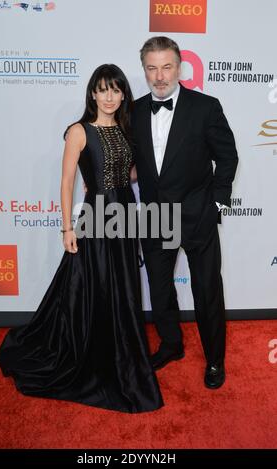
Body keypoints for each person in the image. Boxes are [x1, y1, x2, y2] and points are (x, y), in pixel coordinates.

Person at [0, 64, 163, 413]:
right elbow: (66, 182)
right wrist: (66, 228)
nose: (109, 97)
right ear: (92, 93)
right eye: (102, 90)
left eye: (116, 90)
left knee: (124, 285)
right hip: (97, 213)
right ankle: (94, 351)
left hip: (126, 212)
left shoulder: (124, 128)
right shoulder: (78, 131)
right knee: (93, 282)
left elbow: (127, 170)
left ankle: (123, 349)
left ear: (123, 95)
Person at [131, 36, 238, 389]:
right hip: (154, 217)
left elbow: (227, 157)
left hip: (197, 215)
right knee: (160, 290)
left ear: (180, 67)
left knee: (207, 290)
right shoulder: (133, 109)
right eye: (152, 67)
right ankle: (172, 345)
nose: (159, 76)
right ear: (144, 69)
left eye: (166, 67)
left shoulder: (205, 107)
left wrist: (217, 202)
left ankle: (215, 360)